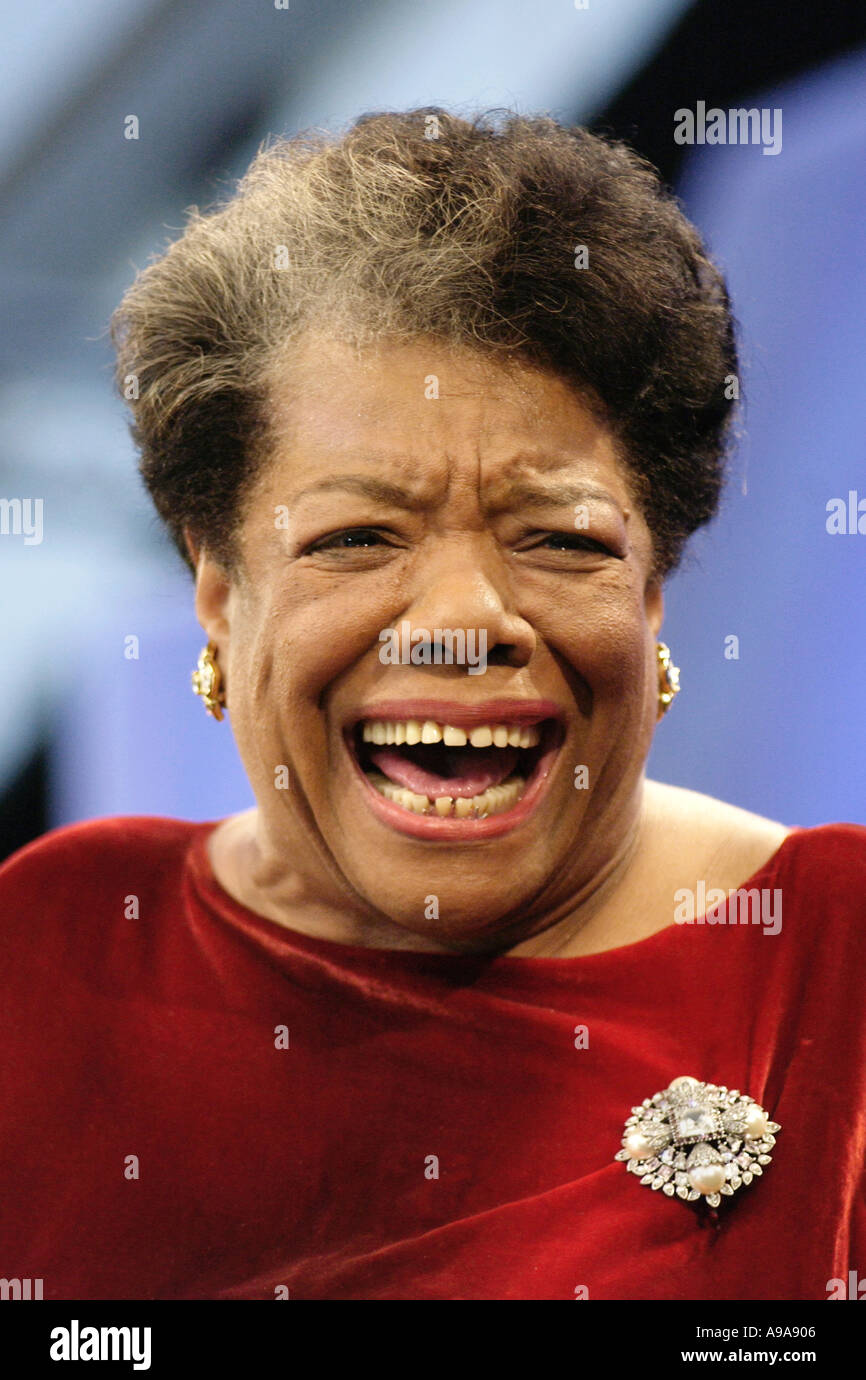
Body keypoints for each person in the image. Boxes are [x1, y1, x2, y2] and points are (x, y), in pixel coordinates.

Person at [1, 109, 864, 1301]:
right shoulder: (52, 942)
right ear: (217, 593)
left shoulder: (832, 968)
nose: (462, 621)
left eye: (558, 538)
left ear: (652, 594)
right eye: (357, 536)